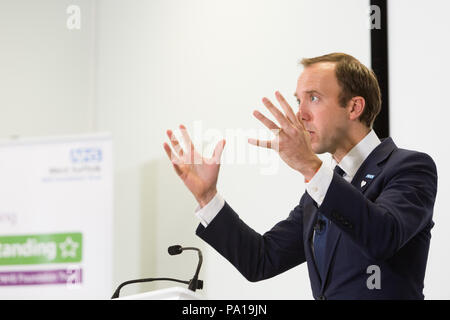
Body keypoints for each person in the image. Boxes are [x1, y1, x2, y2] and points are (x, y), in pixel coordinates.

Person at [162, 53, 437, 300]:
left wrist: (310, 167)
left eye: (313, 98)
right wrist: (208, 197)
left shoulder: (409, 167)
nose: (299, 114)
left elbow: (382, 237)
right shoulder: (322, 189)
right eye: (298, 100)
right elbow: (261, 260)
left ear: (354, 108)